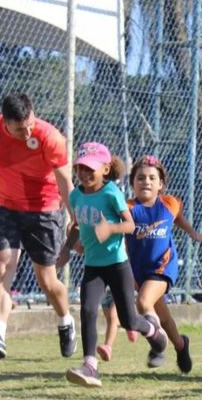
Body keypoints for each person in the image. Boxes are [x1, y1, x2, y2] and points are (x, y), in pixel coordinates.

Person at [0, 93, 76, 360]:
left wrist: (75, 218)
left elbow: (64, 182)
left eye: (29, 125)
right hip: (5, 206)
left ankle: (66, 320)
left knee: (47, 280)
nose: (26, 132)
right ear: (5, 123)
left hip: (44, 210)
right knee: (1, 266)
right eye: (18, 129)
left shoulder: (50, 138)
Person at [59, 142, 168, 387]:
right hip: (92, 266)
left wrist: (110, 228)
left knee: (130, 321)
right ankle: (90, 366)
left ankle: (155, 334)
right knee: (87, 310)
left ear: (106, 170)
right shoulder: (76, 195)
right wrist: (66, 248)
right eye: (81, 168)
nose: (85, 174)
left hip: (117, 266)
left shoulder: (111, 194)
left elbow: (129, 225)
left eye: (91, 169)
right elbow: (77, 226)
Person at [123, 155, 201, 372]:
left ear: (161, 184)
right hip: (140, 271)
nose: (146, 182)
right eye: (140, 178)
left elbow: (178, 218)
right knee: (163, 317)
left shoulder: (169, 204)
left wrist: (192, 232)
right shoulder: (128, 208)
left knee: (143, 302)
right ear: (132, 184)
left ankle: (157, 345)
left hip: (163, 266)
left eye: (151, 178)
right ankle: (180, 344)